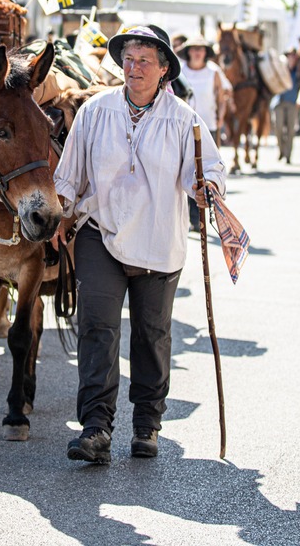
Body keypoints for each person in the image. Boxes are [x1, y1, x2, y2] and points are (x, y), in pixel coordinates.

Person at [51, 24, 225, 464]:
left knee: (151, 335)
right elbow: (70, 173)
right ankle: (95, 428)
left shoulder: (185, 120)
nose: (133, 68)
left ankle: (147, 424)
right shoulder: (95, 111)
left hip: (158, 239)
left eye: (144, 60)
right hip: (100, 233)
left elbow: (209, 172)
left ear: (164, 69)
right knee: (98, 328)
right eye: (128, 59)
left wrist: (207, 188)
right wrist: (62, 206)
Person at [175, 34, 228, 231]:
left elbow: (221, 97)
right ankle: (191, 216)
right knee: (187, 170)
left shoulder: (214, 72)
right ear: (188, 52)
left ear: (206, 53)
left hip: (209, 125)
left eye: (201, 49)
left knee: (205, 171)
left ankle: (204, 212)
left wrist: (220, 118)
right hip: (185, 127)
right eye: (193, 49)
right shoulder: (180, 71)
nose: (197, 52)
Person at [272, 50, 300, 164]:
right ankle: (281, 150)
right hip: (279, 101)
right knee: (278, 127)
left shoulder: (298, 72)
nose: (291, 59)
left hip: (292, 102)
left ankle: (288, 154)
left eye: (293, 57)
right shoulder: (280, 70)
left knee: (290, 129)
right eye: (289, 57)